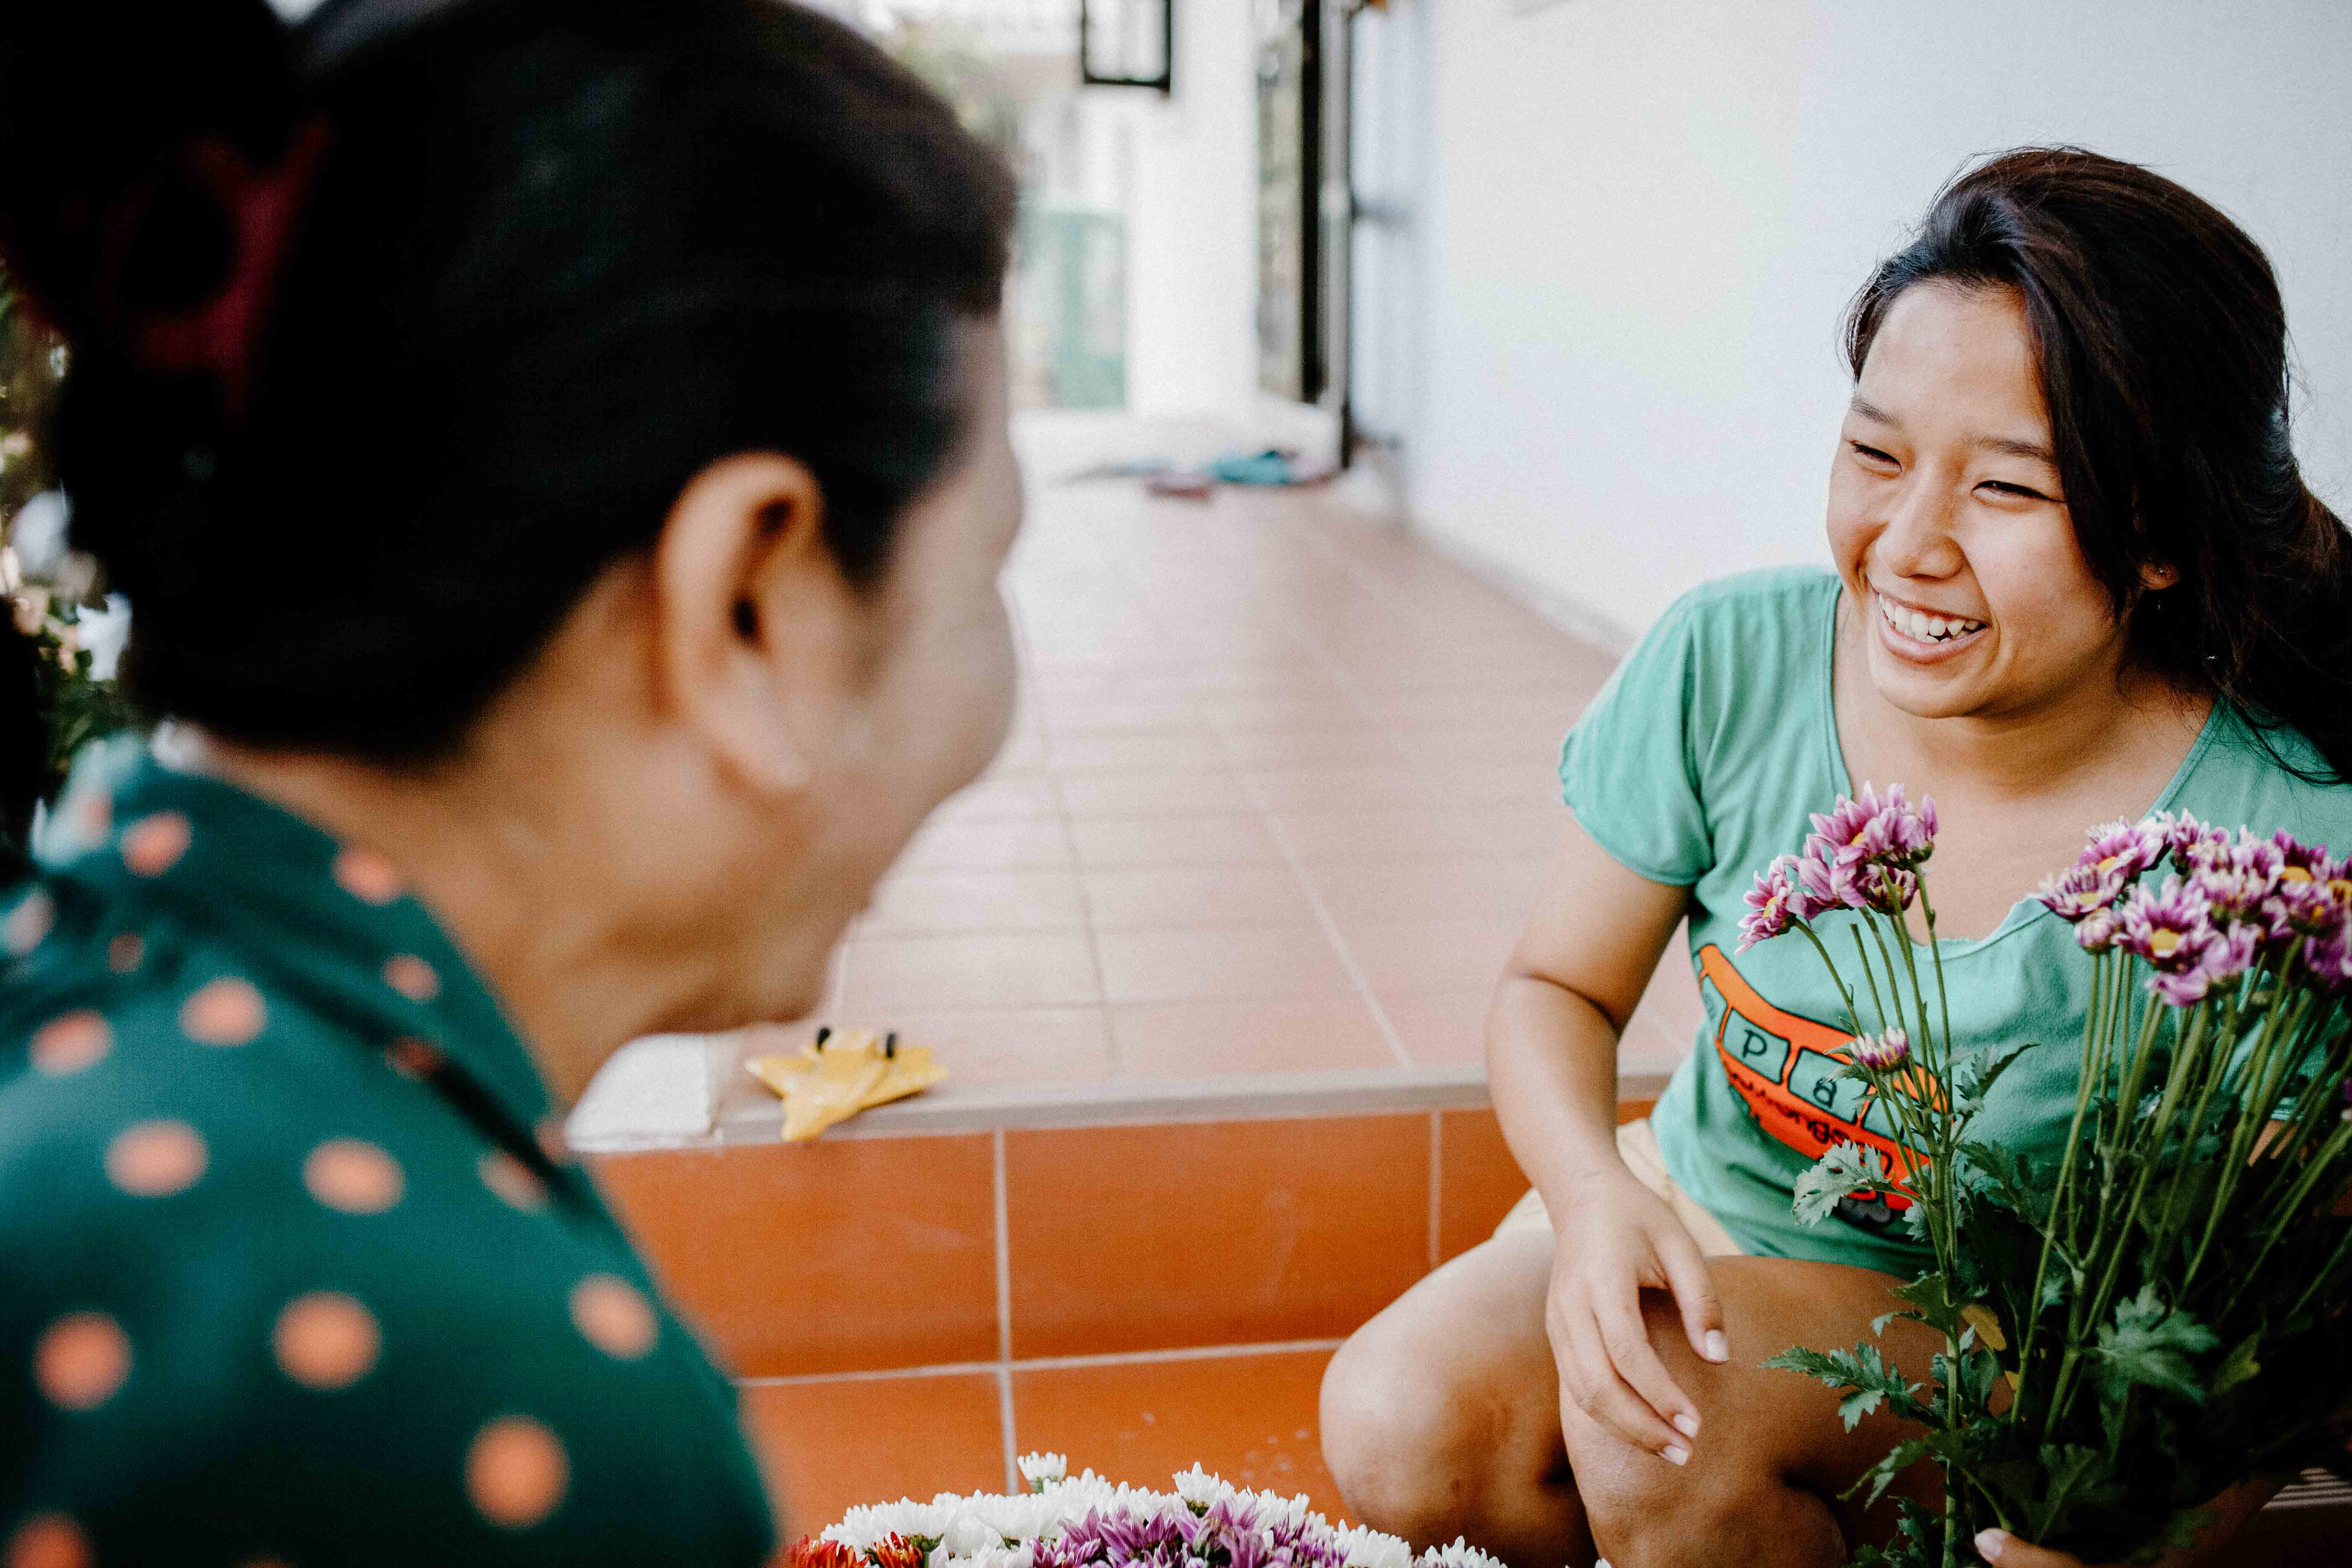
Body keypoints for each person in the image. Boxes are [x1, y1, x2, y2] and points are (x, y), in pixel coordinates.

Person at [0, 0, 1019, 1560]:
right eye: (986, 573)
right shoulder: (456, 1394)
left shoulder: (77, 993)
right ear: (746, 599)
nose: (995, 698)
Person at [1319, 147, 2352, 1568]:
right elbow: (1554, 986)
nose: (1908, 544)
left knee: (1665, 1406)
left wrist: (2141, 1535)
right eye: (1875, 453)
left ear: (2161, 538)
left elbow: (2298, 1303)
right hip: (1699, 1220)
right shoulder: (1729, 663)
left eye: (2007, 491)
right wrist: (1594, 1196)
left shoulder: (2278, 851)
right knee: (1401, 1423)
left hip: (2014, 1358)